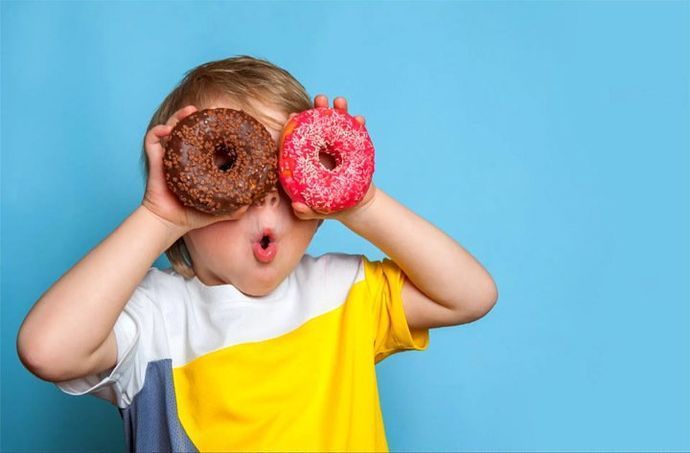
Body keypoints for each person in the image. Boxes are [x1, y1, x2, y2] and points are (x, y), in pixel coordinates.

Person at [17, 55, 498, 452]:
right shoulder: (153, 321)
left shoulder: (344, 294)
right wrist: (158, 218)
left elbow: (470, 295)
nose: (266, 195)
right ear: (187, 189)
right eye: (229, 168)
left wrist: (362, 203)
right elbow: (46, 351)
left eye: (286, 174)